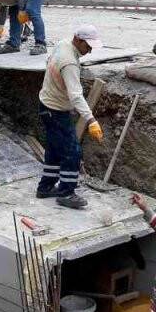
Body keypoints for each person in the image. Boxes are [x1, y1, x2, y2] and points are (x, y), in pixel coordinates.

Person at [37, 25, 105, 209]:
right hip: (56, 110)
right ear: (78, 40)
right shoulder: (70, 63)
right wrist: (91, 120)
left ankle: (45, 187)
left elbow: (48, 63)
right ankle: (66, 192)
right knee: (72, 152)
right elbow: (76, 95)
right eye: (88, 46)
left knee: (54, 150)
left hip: (46, 104)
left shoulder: (63, 44)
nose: (89, 50)